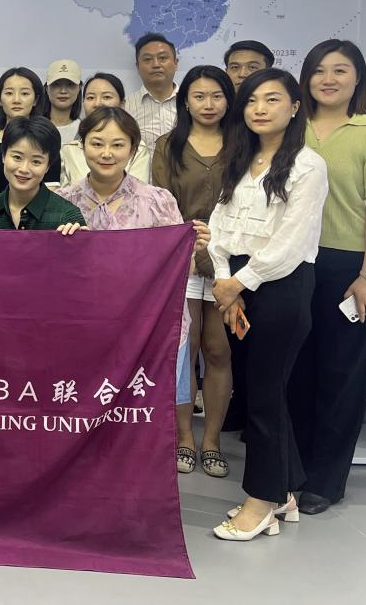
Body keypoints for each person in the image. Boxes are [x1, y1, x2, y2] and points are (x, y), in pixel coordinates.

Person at [207, 68, 329, 541]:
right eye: (252, 100)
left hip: (280, 284)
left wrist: (239, 282)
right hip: (236, 281)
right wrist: (224, 278)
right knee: (261, 390)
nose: (259, 108)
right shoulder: (241, 157)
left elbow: (291, 243)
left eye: (272, 99)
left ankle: (260, 503)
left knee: (264, 393)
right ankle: (285, 491)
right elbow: (220, 223)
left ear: (295, 107)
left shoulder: (308, 166)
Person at [290, 40, 366, 516]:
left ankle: (325, 481)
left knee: (341, 375)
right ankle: (292, 470)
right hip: (293, 262)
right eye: (319, 70)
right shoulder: (291, 127)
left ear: (358, 78)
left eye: (340, 70)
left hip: (350, 267)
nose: (328, 79)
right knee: (295, 370)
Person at [57, 108, 208, 432]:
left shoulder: (157, 201)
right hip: (83, 331)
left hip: (146, 330)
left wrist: (193, 249)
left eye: (117, 144)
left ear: (133, 148)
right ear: (82, 146)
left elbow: (182, 271)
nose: (106, 153)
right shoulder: (62, 202)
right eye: (97, 143)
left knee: (142, 419)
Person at [152, 65, 237, 479]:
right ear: (185, 101)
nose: (208, 104)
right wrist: (186, 243)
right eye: (199, 96)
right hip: (181, 260)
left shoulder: (243, 144)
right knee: (182, 352)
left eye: (217, 96)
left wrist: (216, 245)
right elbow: (162, 205)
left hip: (227, 264)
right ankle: (184, 437)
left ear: (228, 101)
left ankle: (212, 441)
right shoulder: (168, 145)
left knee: (218, 350)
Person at [0, 116, 85, 232]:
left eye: (36, 161)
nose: (24, 169)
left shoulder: (68, 217)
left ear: (48, 166)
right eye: (17, 157)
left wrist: (79, 239)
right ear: (3, 156)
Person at [59, 73, 150, 185]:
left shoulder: (137, 148)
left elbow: (138, 190)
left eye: (107, 97)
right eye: (90, 97)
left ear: (122, 104)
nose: (98, 103)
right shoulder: (69, 150)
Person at [0, 66, 46, 196]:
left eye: (25, 93)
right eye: (9, 93)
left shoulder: (45, 141)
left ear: (36, 100)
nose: (16, 100)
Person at [125, 32, 179, 153]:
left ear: (176, 63)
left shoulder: (190, 103)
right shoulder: (126, 107)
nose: (156, 64)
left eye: (163, 58)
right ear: (137, 67)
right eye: (147, 59)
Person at [41, 60, 83, 145]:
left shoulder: (85, 129)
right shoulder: (33, 127)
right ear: (47, 88)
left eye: (70, 84)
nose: (63, 91)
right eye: (56, 84)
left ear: (79, 88)